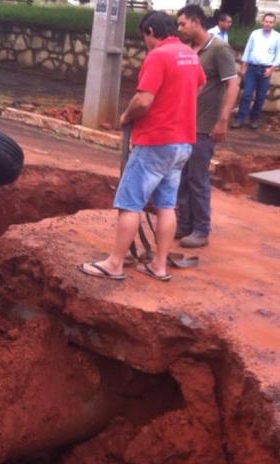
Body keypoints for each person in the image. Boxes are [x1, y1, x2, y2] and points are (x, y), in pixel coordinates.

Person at [78, 11, 205, 282]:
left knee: (129, 203)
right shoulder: (190, 54)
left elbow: (143, 101)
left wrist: (125, 117)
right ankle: (159, 265)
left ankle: (114, 264)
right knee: (166, 205)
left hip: (156, 141)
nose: (145, 42)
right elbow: (198, 85)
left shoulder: (158, 56)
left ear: (150, 31)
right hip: (182, 143)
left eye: (144, 37)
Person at [175, 5, 239, 248]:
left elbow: (233, 85)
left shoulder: (219, 49)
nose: (180, 29)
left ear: (196, 22)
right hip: (184, 123)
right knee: (181, 176)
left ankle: (201, 229)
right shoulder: (189, 50)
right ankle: (184, 224)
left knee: (197, 178)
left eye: (183, 24)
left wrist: (222, 120)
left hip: (204, 125)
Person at [231, 13, 280, 129]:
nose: (268, 24)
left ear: (274, 23)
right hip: (252, 69)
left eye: (271, 22)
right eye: (266, 21)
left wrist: (271, 68)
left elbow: (278, 55)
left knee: (260, 97)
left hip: (266, 70)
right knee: (246, 95)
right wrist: (244, 65)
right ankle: (240, 119)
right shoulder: (255, 34)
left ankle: (254, 119)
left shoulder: (277, 37)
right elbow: (248, 49)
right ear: (262, 22)